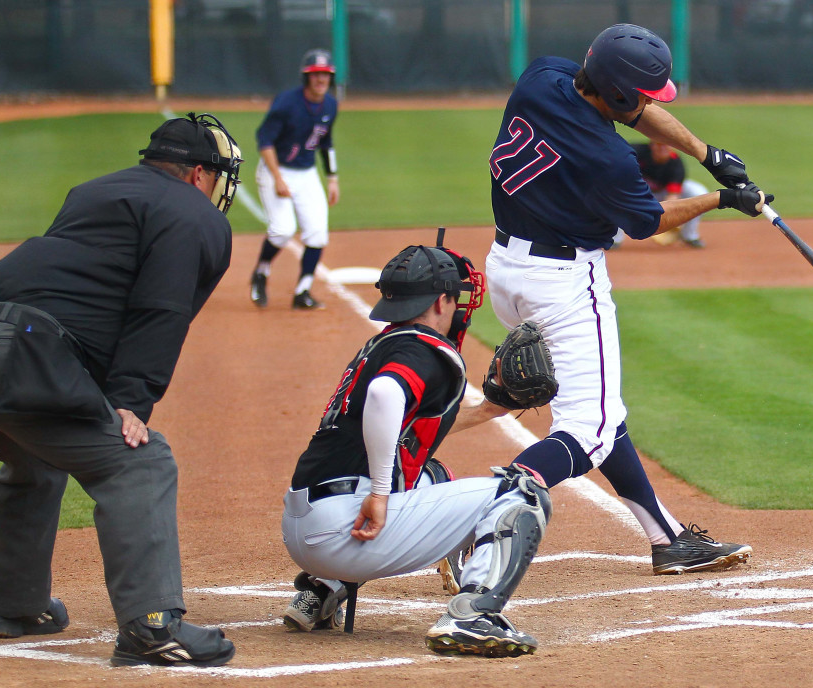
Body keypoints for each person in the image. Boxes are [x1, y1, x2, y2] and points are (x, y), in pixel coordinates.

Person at [485, 24, 773, 576]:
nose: (646, 104)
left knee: (602, 411)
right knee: (585, 430)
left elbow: (629, 108)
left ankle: (667, 539)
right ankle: (470, 524)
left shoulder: (541, 75)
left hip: (507, 269)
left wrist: (706, 152)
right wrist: (721, 198)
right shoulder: (608, 160)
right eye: (641, 93)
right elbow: (650, 222)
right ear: (618, 93)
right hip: (564, 284)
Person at [0, 113, 242, 667]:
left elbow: (69, 292)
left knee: (36, 458)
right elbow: (162, 308)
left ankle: (11, 603)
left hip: (5, 332)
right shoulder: (191, 213)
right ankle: (152, 629)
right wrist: (131, 401)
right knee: (140, 461)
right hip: (27, 352)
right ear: (198, 174)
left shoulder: (94, 192)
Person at [280, 241, 552, 657]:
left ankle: (321, 591)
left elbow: (405, 428)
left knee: (430, 474)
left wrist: (489, 410)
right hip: (342, 531)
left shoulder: (386, 344)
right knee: (520, 494)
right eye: (456, 297)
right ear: (441, 301)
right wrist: (379, 492)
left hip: (305, 529)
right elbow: (385, 396)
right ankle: (473, 615)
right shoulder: (423, 350)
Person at [250, 48, 340, 310]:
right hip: (275, 168)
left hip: (307, 173)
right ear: (307, 77)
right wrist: (278, 178)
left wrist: (332, 178)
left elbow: (327, 142)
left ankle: (303, 292)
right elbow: (264, 141)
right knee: (282, 229)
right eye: (316, 74)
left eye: (325, 74)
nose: (321, 79)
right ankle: (261, 271)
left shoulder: (331, 105)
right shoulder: (286, 103)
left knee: (317, 234)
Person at [614, 141, 711, 248]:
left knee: (699, 192)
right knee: (616, 193)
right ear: (652, 146)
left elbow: (672, 197)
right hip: (637, 192)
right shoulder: (636, 152)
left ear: (672, 148)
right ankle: (615, 239)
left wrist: (667, 223)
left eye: (666, 145)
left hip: (662, 193)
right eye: (659, 145)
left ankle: (689, 235)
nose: (662, 148)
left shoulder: (676, 164)